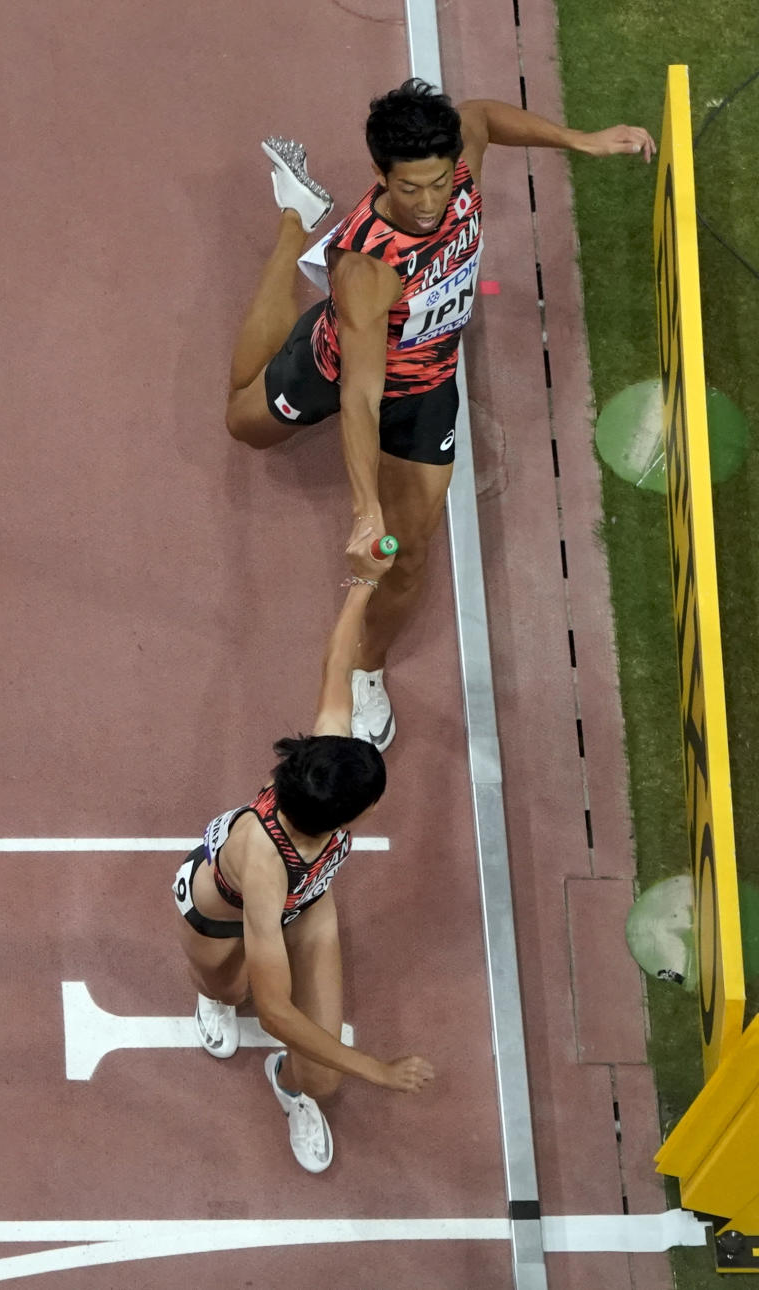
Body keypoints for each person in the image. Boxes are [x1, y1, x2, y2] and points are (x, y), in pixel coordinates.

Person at [225, 80, 656, 751]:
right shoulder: (367, 268)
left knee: (409, 555)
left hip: (427, 390)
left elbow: (481, 115)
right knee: (243, 425)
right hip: (339, 367)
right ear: (379, 174)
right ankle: (295, 220)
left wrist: (580, 140)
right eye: (409, 189)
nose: (428, 205)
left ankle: (369, 668)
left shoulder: (458, 168)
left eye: (437, 186)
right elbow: (361, 400)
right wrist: (365, 509)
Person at [172, 529, 434, 1174]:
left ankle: (289, 1088)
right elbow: (280, 1012)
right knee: (232, 992)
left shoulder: (324, 761)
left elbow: (336, 664)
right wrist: (378, 1067)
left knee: (322, 1077)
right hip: (225, 910)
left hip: (308, 898)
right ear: (354, 815)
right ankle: (209, 994)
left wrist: (363, 582)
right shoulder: (264, 868)